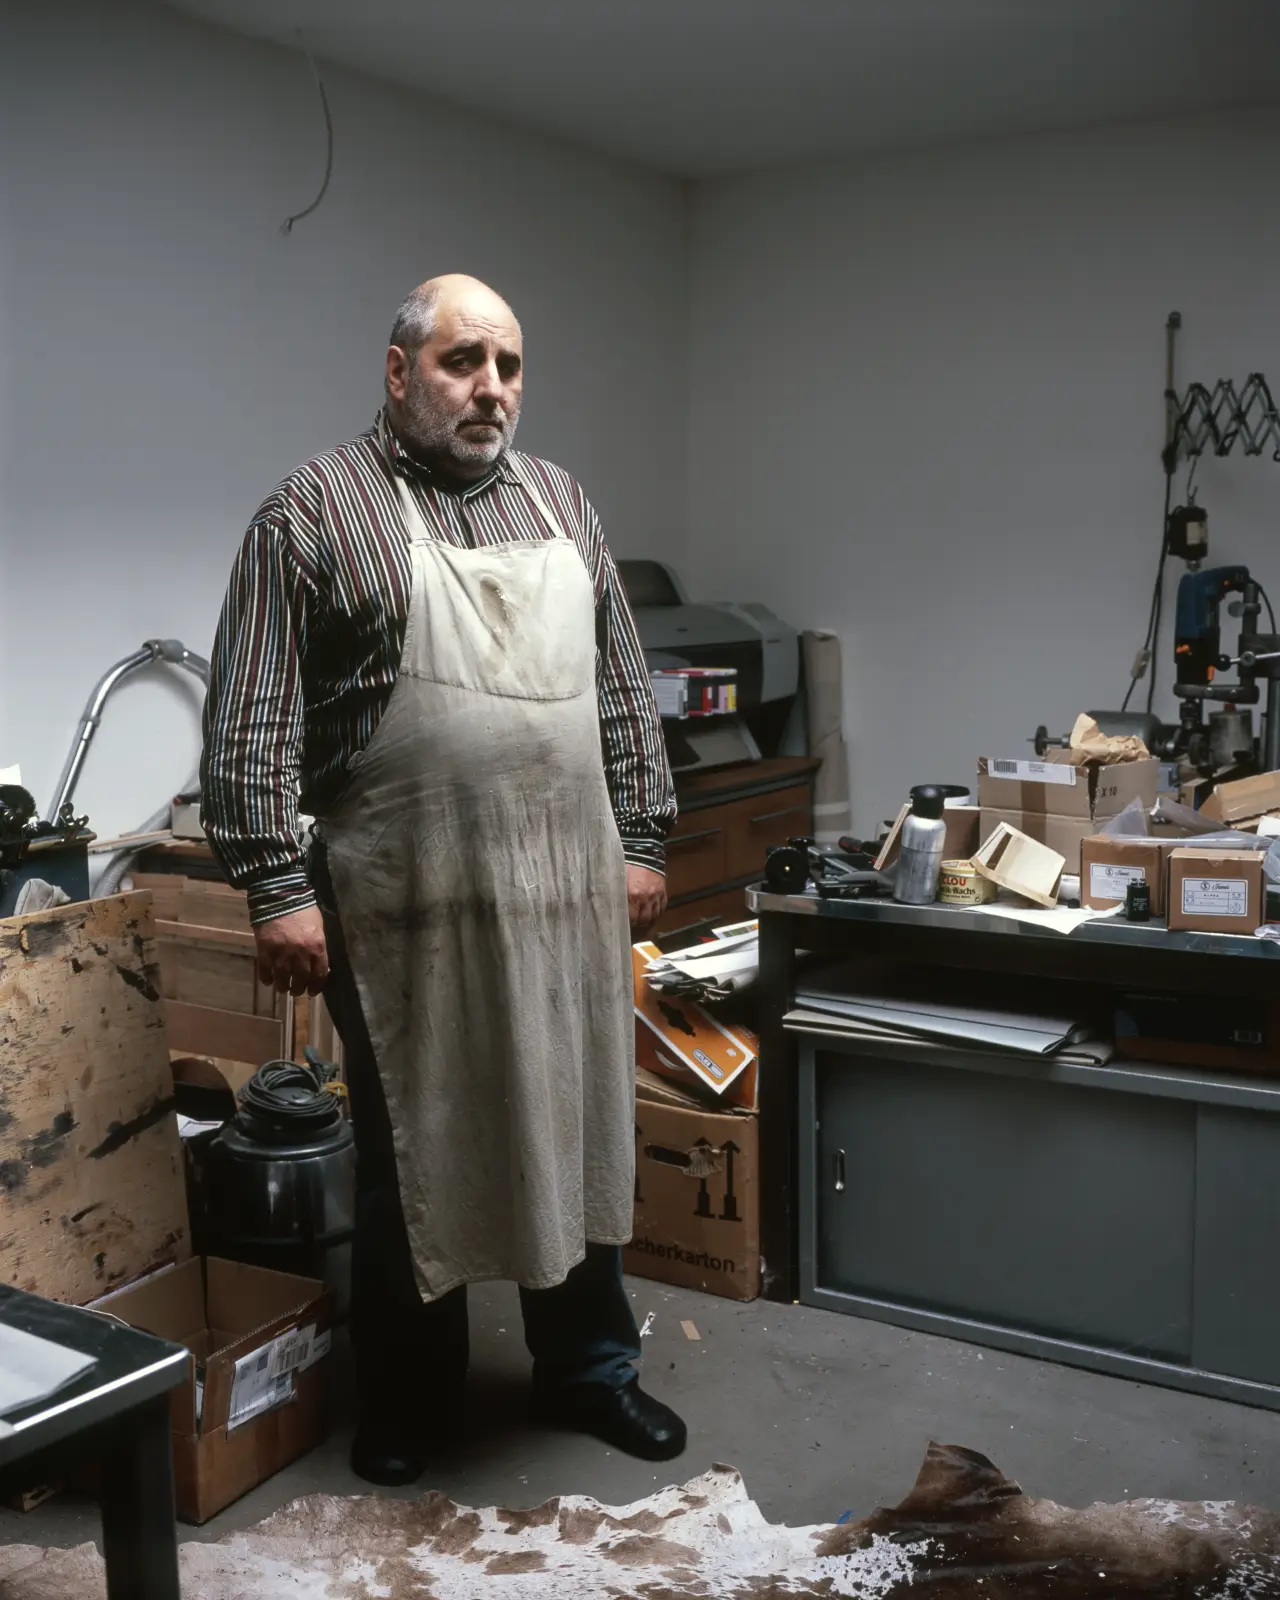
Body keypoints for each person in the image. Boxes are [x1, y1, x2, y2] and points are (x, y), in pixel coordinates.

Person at [201, 273, 685, 1486]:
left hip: (565, 881)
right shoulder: (311, 511)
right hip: (403, 890)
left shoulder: (561, 501)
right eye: (466, 360)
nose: (492, 390)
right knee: (415, 1136)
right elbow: (249, 721)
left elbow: (621, 682)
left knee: (573, 1118)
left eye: (510, 366)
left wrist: (642, 838)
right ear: (398, 369)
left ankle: (591, 1373)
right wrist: (275, 885)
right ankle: (412, 1400)